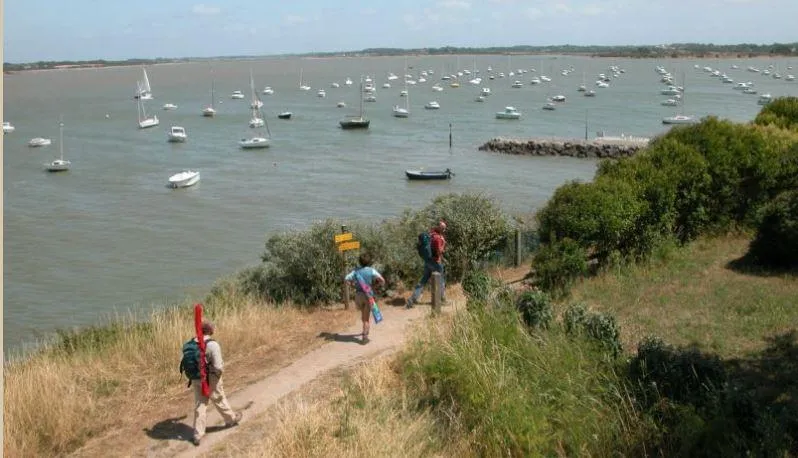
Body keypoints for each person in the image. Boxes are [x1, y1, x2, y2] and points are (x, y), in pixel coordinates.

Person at [191, 321, 242, 446]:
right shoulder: (213, 345)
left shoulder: (192, 343)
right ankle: (231, 419)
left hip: (196, 378)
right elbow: (218, 366)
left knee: (200, 405)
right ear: (210, 331)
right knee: (219, 398)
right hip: (211, 378)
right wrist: (218, 375)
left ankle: (198, 434)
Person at [345, 252, 385, 344]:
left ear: (360, 261)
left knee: (363, 314)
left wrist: (352, 285)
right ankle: (364, 337)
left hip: (358, 296)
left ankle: (364, 329)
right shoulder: (371, 271)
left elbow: (346, 279)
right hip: (368, 296)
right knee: (366, 318)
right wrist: (375, 285)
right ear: (369, 261)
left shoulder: (356, 271)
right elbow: (382, 280)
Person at [406, 220, 447, 308]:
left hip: (427, 262)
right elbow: (439, 250)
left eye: (444, 228)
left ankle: (412, 299)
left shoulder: (430, 234)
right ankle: (442, 300)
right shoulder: (438, 238)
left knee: (423, 281)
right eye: (443, 228)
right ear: (438, 227)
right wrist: (444, 244)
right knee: (441, 280)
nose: (444, 230)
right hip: (436, 262)